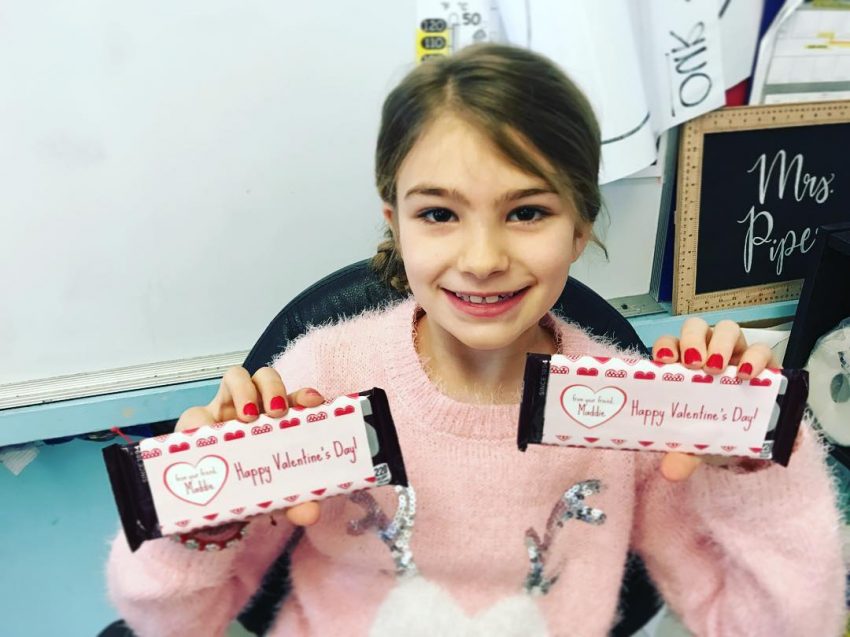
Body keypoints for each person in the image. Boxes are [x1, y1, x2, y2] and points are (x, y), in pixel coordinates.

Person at [106, 43, 846, 636]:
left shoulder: (636, 413)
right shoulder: (321, 375)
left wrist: (756, 459)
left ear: (580, 227)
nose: (484, 258)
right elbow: (169, 621)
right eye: (439, 214)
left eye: (527, 212)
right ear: (396, 223)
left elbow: (781, 625)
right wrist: (200, 517)